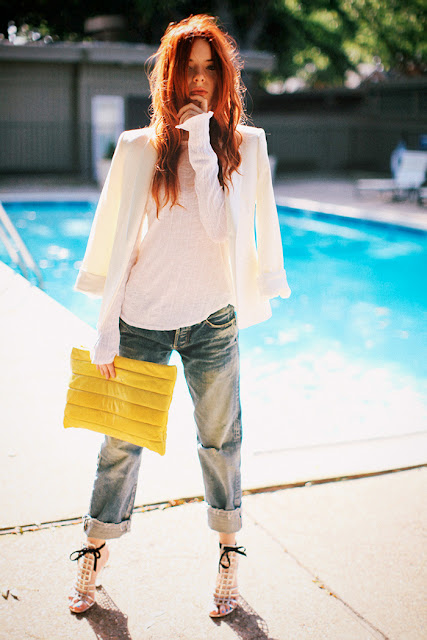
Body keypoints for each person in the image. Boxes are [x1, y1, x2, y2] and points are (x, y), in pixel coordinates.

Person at [68, 14, 291, 619]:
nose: (198, 80)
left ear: (224, 76)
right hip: (142, 315)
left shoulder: (246, 145)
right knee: (120, 443)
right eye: (188, 69)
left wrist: (200, 143)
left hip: (212, 321)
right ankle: (95, 547)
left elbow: (222, 229)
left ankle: (228, 553)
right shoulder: (138, 147)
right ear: (170, 75)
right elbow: (121, 245)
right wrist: (105, 328)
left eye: (209, 68)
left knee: (220, 440)